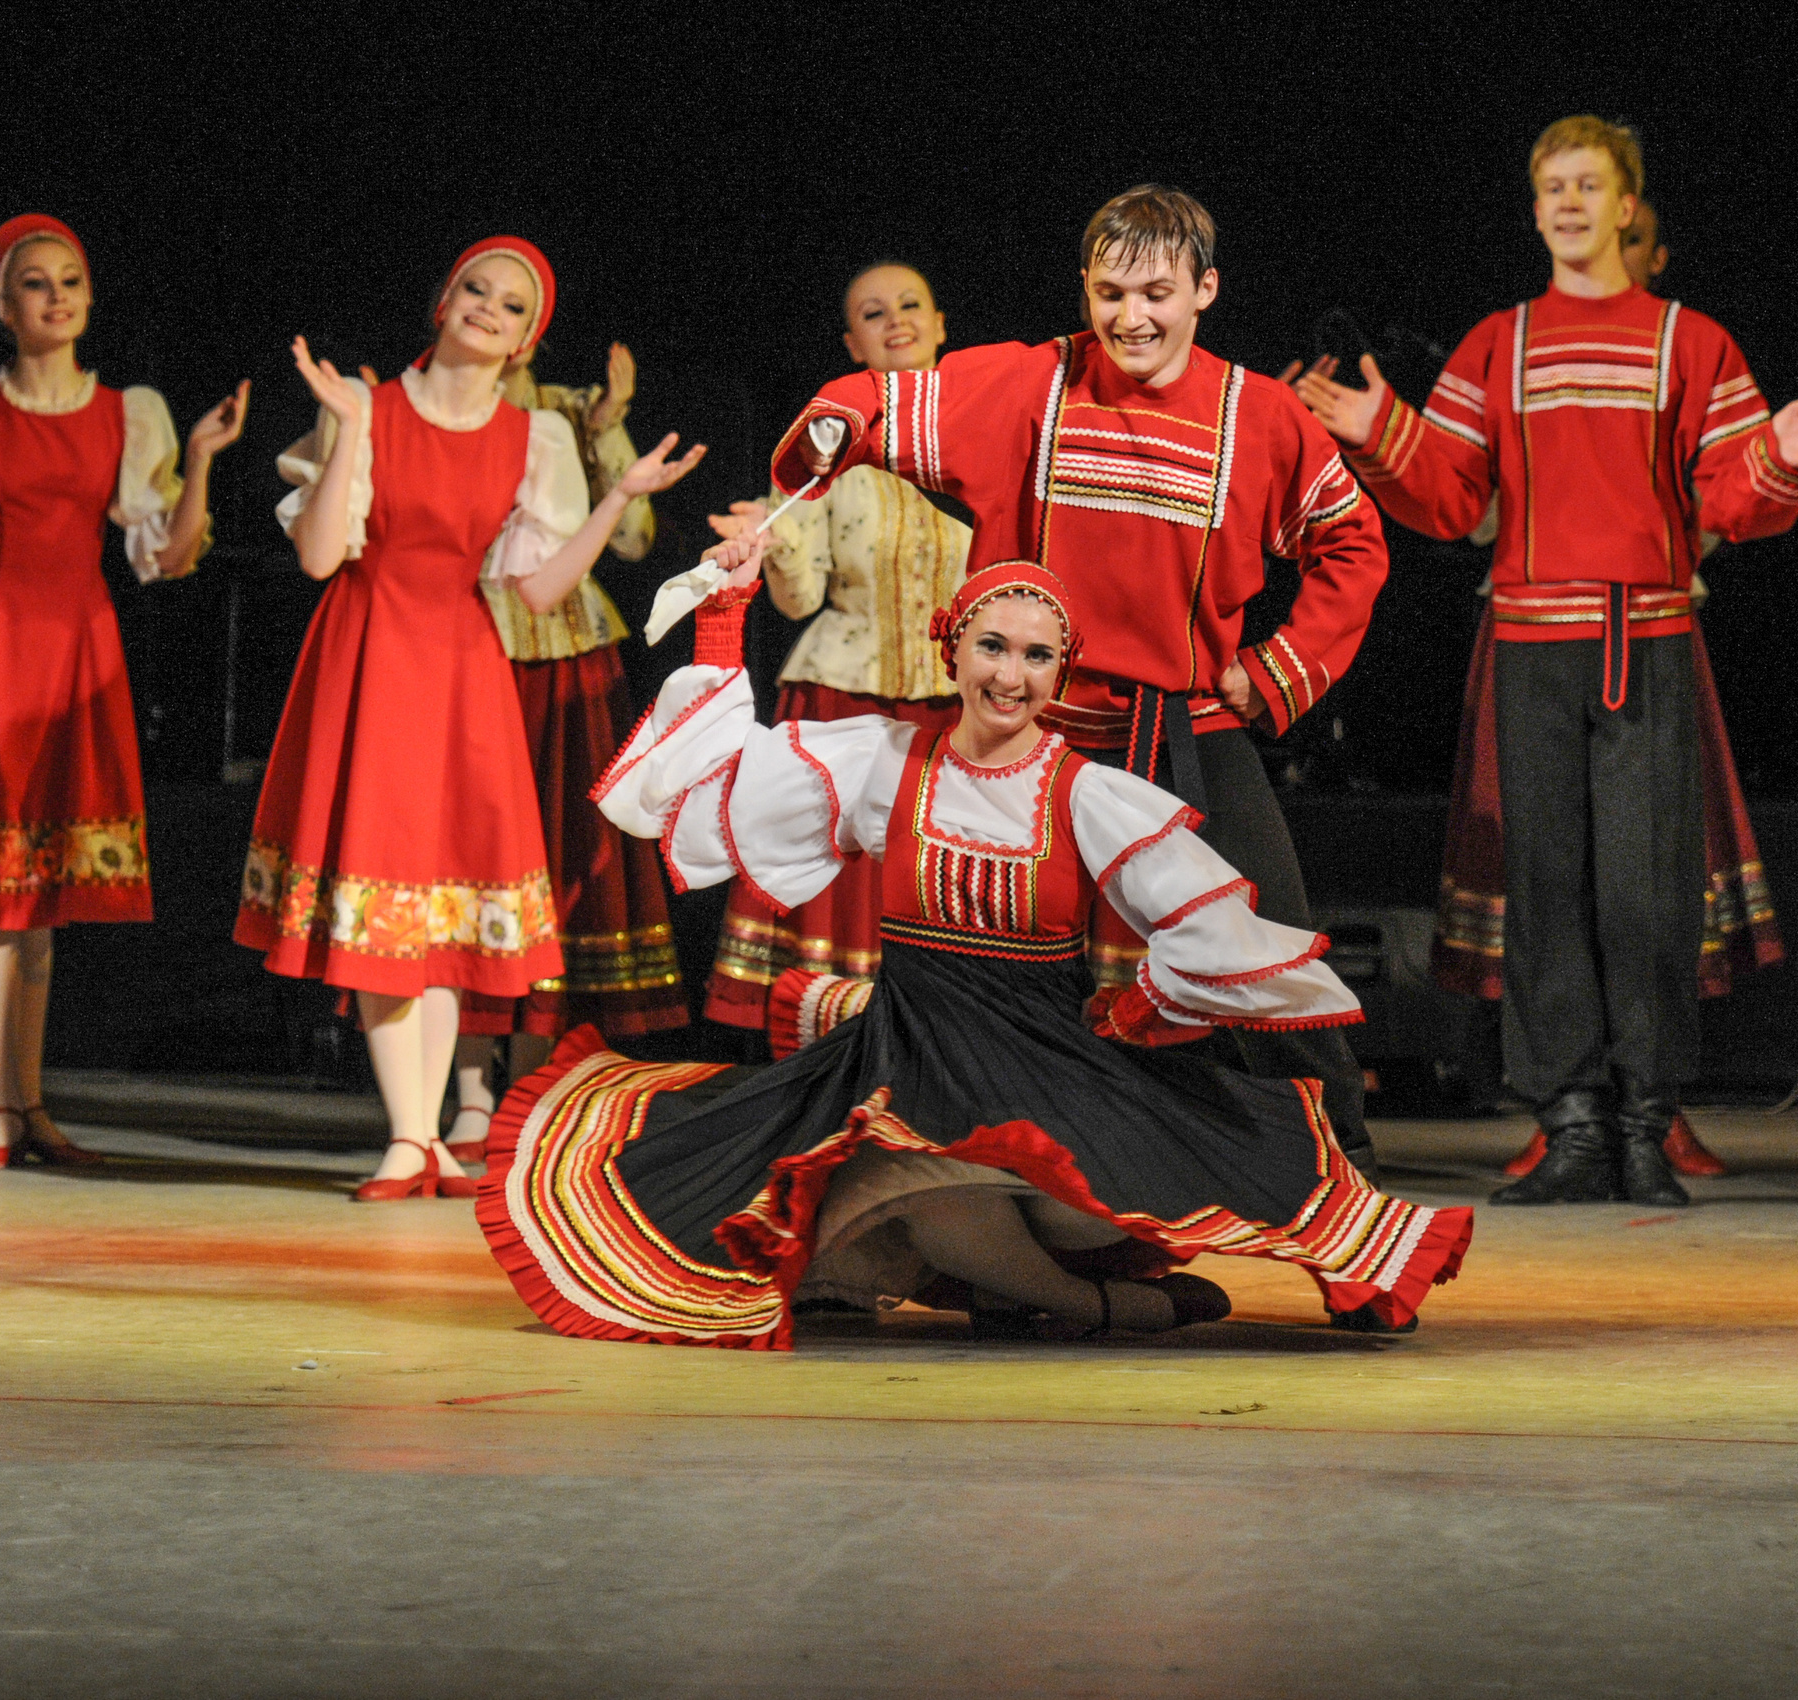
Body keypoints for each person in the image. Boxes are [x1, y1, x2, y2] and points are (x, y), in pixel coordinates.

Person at [474, 546, 1471, 1346]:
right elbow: (714, 773)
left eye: (1037, 656)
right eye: (992, 646)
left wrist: (1147, 1009)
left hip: (1049, 1075)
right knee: (873, 1213)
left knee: (1030, 1204)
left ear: (1058, 672)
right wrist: (728, 613)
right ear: (950, 650)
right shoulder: (883, 762)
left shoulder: (1085, 792)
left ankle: (1039, 1283)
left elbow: (1208, 924)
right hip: (907, 1063)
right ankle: (1091, 1308)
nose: (1011, 673)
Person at [768, 186, 1389, 1176]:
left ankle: (1330, 1180)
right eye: (1110, 292)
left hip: (1183, 732)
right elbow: (883, 403)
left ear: (1205, 290)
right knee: (1006, 973)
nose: (1131, 316)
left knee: (1262, 953)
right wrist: (833, 427)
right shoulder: (1031, 385)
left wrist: (1275, 671)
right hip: (1034, 741)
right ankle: (1015, 1175)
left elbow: (1352, 544)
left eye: (1156, 292)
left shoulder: (1256, 414)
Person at [1293, 117, 1798, 1207]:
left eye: (1589, 185)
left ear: (1629, 205)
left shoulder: (1689, 340)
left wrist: (1779, 459)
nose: (1569, 203)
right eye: (1552, 186)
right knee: (1544, 890)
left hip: (1645, 639)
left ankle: (1645, 1118)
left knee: (1645, 895)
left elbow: (1729, 494)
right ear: (1534, 205)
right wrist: (1380, 428)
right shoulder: (1499, 341)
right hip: (1532, 642)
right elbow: (1451, 496)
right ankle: (1571, 1121)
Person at [238, 235, 704, 1201]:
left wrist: (615, 495)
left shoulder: (529, 438)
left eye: (513, 305)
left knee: (446, 899)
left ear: (527, 340)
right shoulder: (367, 407)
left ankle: (430, 1141)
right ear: (444, 302)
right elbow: (322, 557)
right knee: (383, 884)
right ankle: (411, 1133)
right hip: (370, 651)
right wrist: (350, 431)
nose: (490, 308)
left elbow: (535, 590)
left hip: (465, 664)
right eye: (476, 291)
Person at [0, 214, 247, 1169]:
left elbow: (166, 558)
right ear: (2, 307)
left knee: (41, 899)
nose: (57, 297)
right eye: (35, 284)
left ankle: (25, 1103)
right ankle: (5, 1108)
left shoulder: (131, 413)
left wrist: (200, 462)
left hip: (78, 652)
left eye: (70, 280)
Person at [699, 262, 971, 1037]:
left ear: (942, 323)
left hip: (958, 709)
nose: (896, 321)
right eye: (873, 313)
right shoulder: (831, 449)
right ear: (852, 343)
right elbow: (798, 599)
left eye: (910, 304)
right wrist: (775, 541)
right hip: (842, 700)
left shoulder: (983, 437)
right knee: (840, 900)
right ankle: (829, 1062)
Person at [443, 337, 690, 1160]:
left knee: (560, 864)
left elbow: (635, 538)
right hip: (469, 645)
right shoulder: (434, 407)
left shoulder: (568, 409)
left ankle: (530, 1086)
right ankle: (468, 1090)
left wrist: (604, 429)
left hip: (568, 655)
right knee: (467, 865)